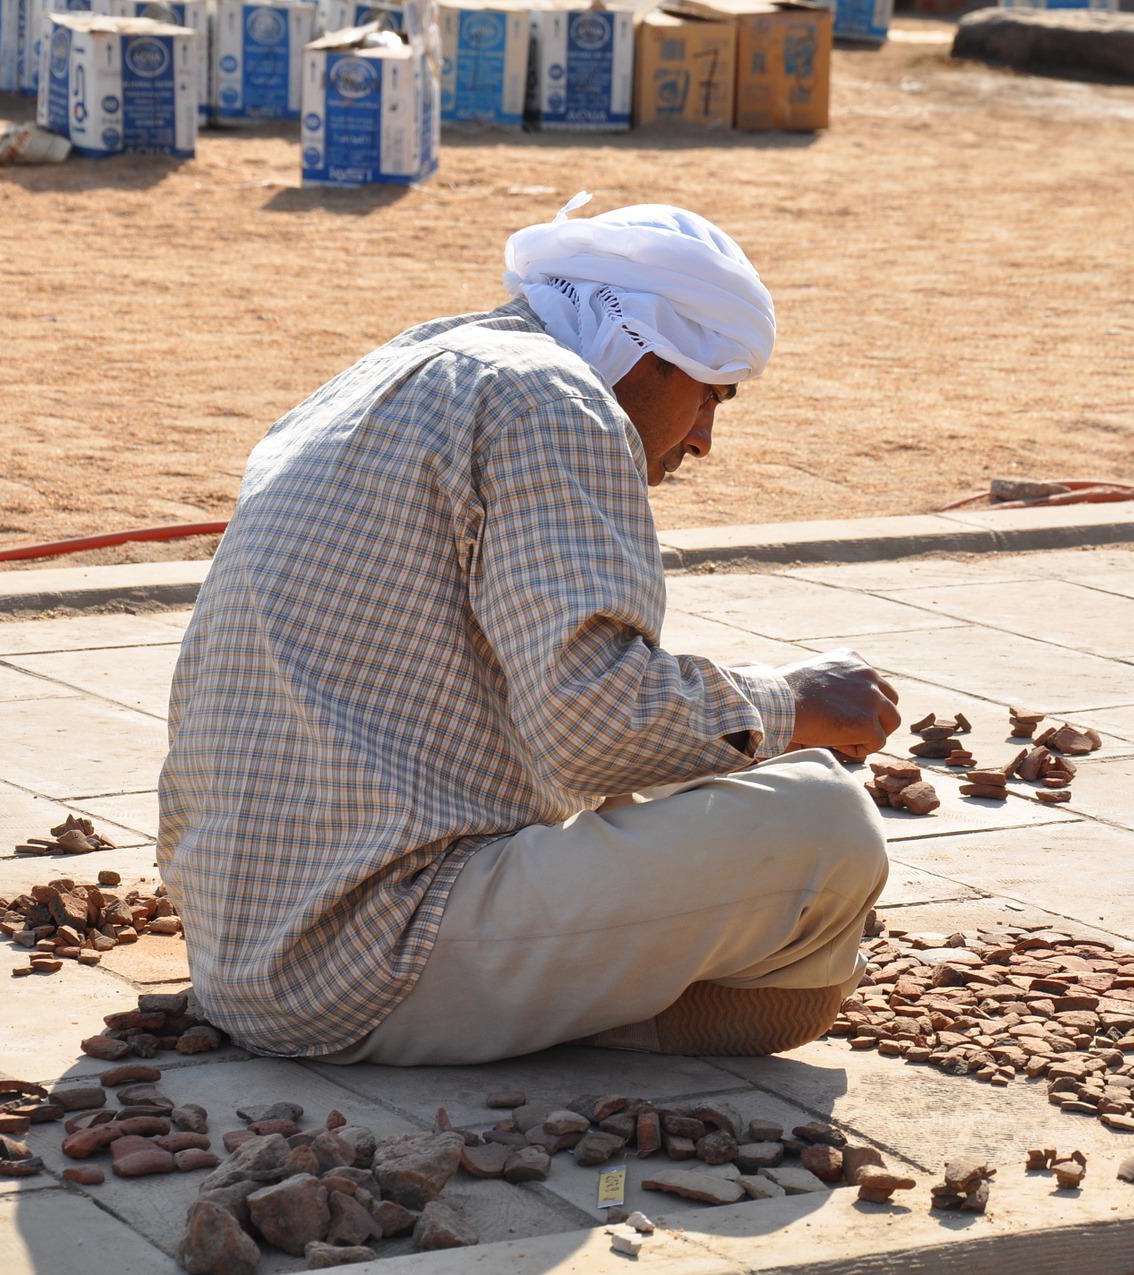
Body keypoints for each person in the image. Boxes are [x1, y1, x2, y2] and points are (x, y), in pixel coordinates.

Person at [158, 196, 899, 1067]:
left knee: (720, 761)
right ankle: (620, 1016)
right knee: (827, 823)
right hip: (362, 959)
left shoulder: (414, 360)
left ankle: (576, 996)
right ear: (642, 348)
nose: (703, 439)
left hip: (241, 935)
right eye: (711, 392)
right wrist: (792, 700)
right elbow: (597, 726)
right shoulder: (555, 398)